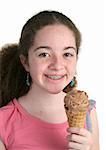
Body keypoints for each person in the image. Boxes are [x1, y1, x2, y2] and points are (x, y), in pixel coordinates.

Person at [0, 10, 99, 150]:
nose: (57, 65)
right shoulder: (3, 122)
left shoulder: (88, 113)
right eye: (44, 54)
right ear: (25, 62)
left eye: (67, 54)